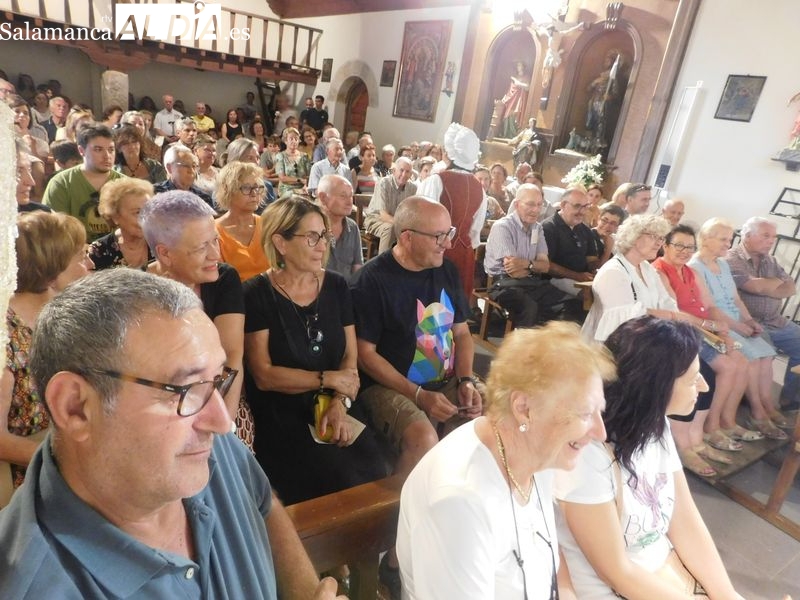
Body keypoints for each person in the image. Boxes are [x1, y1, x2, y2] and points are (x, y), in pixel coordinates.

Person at [0, 269, 344, 599]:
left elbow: (261, 502)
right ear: (75, 407)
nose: (222, 422)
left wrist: (305, 592)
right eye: (183, 388)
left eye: (215, 380)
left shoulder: (205, 449)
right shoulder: (36, 585)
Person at [397, 323, 615, 599]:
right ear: (524, 408)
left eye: (599, 411)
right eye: (584, 413)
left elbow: (550, 561)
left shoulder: (539, 454)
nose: (600, 432)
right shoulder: (459, 502)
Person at [555, 316, 746, 600]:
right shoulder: (587, 454)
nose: (704, 387)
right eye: (693, 379)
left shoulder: (655, 425)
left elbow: (685, 521)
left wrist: (728, 595)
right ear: (655, 388)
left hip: (665, 578)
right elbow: (617, 573)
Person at [351, 196, 483, 597]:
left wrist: (467, 380)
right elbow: (365, 354)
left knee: (495, 421)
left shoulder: (444, 269)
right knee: (422, 437)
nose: (447, 243)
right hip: (389, 384)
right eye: (439, 236)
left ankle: (459, 523)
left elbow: (461, 333)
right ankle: (392, 552)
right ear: (406, 237)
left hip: (444, 378)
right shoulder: (373, 279)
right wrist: (419, 395)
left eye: (450, 234)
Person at [243, 196, 387, 504]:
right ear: (280, 242)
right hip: (285, 412)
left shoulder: (335, 285)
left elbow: (350, 355)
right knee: (336, 477)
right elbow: (264, 375)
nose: (323, 245)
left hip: (336, 401)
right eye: (312, 237)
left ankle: (369, 549)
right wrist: (328, 380)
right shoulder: (256, 294)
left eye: (324, 235)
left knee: (375, 470)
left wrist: (339, 402)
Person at [1, 212, 92, 507]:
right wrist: (69, 465)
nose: (90, 266)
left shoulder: (65, 316)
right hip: (29, 487)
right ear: (51, 271)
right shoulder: (7, 336)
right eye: (81, 257)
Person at [653, 225, 753, 476]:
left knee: (738, 361)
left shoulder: (690, 271)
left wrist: (725, 332)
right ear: (665, 245)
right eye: (678, 245)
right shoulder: (659, 270)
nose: (685, 251)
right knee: (703, 376)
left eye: (689, 247)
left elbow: (710, 305)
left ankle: (705, 431)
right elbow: (673, 312)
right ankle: (685, 443)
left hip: (700, 331)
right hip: (674, 333)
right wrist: (709, 326)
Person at [141, 191, 244, 422]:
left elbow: (232, 357)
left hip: (222, 394)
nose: (215, 255)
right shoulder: (138, 294)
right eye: (201, 248)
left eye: (215, 240)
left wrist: (225, 424)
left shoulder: (224, 279)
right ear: (164, 253)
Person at [690, 219, 784, 441]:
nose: (728, 244)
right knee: (748, 360)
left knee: (766, 355)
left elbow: (735, 298)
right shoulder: (695, 266)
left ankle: (762, 407)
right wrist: (738, 326)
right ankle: (744, 415)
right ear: (705, 239)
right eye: (723, 239)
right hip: (719, 323)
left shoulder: (722, 264)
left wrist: (749, 321)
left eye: (730, 239)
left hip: (736, 320)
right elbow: (710, 308)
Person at [726, 217, 800, 414]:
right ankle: (756, 404)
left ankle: (789, 400)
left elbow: (791, 288)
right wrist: (772, 284)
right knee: (765, 354)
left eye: (773, 237)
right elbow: (752, 286)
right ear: (748, 235)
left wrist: (764, 286)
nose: (771, 241)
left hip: (776, 321)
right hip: (750, 322)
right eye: (766, 236)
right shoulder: (732, 259)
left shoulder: (771, 260)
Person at [417, 122, 487, 301]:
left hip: (436, 253)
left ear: (449, 154)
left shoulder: (436, 181)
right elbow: (474, 231)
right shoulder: (480, 189)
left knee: (428, 310)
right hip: (464, 255)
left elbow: (420, 220)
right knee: (454, 312)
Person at [484, 184, 570, 327]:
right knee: (531, 308)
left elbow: (545, 265)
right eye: (530, 204)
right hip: (504, 285)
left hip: (532, 283)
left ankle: (548, 346)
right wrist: (534, 266)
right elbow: (513, 271)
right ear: (517, 205)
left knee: (569, 304)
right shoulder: (502, 227)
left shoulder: (537, 228)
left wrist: (527, 264)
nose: (535, 210)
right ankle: (522, 348)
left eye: (539, 205)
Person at [581, 214, 675, 342]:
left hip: (644, 339)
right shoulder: (613, 272)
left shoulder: (646, 268)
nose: (659, 243)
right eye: (654, 236)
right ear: (634, 237)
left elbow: (665, 302)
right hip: (611, 350)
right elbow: (625, 322)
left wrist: (677, 321)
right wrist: (672, 317)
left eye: (661, 238)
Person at [43, 124, 125, 241]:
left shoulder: (126, 185)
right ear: (81, 150)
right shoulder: (61, 183)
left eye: (111, 149)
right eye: (98, 149)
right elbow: (53, 228)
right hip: (74, 252)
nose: (107, 156)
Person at [214, 161, 270, 282]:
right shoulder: (213, 231)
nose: (254, 193)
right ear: (228, 191)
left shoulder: (268, 225)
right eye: (246, 188)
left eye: (257, 187)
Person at [542, 186, 600, 297]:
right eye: (577, 206)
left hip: (582, 277)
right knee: (591, 295)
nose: (582, 212)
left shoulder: (585, 229)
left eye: (585, 207)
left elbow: (591, 259)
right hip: (556, 279)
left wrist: (596, 271)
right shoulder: (549, 228)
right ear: (563, 205)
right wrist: (577, 276)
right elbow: (547, 265)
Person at [89, 177, 154, 270]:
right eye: (137, 212)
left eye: (148, 210)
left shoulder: (162, 242)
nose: (146, 218)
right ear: (115, 216)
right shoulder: (99, 250)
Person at [363, 156, 417, 253]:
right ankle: (383, 264)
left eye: (407, 171)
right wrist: (403, 227)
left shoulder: (413, 188)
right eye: (401, 170)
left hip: (398, 223)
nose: (404, 174)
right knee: (390, 228)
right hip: (375, 219)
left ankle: (406, 264)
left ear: (411, 174)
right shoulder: (383, 183)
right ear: (394, 171)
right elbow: (383, 216)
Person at [317, 174, 363, 282]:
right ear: (323, 198)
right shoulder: (310, 227)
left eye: (351, 195)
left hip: (346, 292)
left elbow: (358, 266)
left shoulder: (352, 227)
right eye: (343, 196)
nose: (349, 202)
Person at [274, 126, 311, 198]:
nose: (294, 141)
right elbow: (282, 178)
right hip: (287, 189)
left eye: (296, 139)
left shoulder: (304, 156)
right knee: (294, 197)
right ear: (285, 141)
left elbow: (308, 176)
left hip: (302, 189)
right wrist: (299, 180)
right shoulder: (280, 156)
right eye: (291, 139)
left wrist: (305, 186)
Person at [498, 61, 530, 138]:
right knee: (507, 115)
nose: (519, 67)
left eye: (520, 65)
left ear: (524, 67)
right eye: (518, 65)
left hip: (519, 98)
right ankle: (505, 134)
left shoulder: (526, 77)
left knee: (515, 116)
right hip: (512, 99)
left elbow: (527, 87)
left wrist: (518, 83)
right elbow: (510, 89)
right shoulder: (515, 77)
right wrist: (506, 97)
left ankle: (513, 135)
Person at [591, 202, 625, 266]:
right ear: (598, 219)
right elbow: (596, 269)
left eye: (613, 223)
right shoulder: (588, 236)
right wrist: (608, 249)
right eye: (604, 220)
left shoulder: (617, 240)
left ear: (617, 227)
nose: (607, 226)